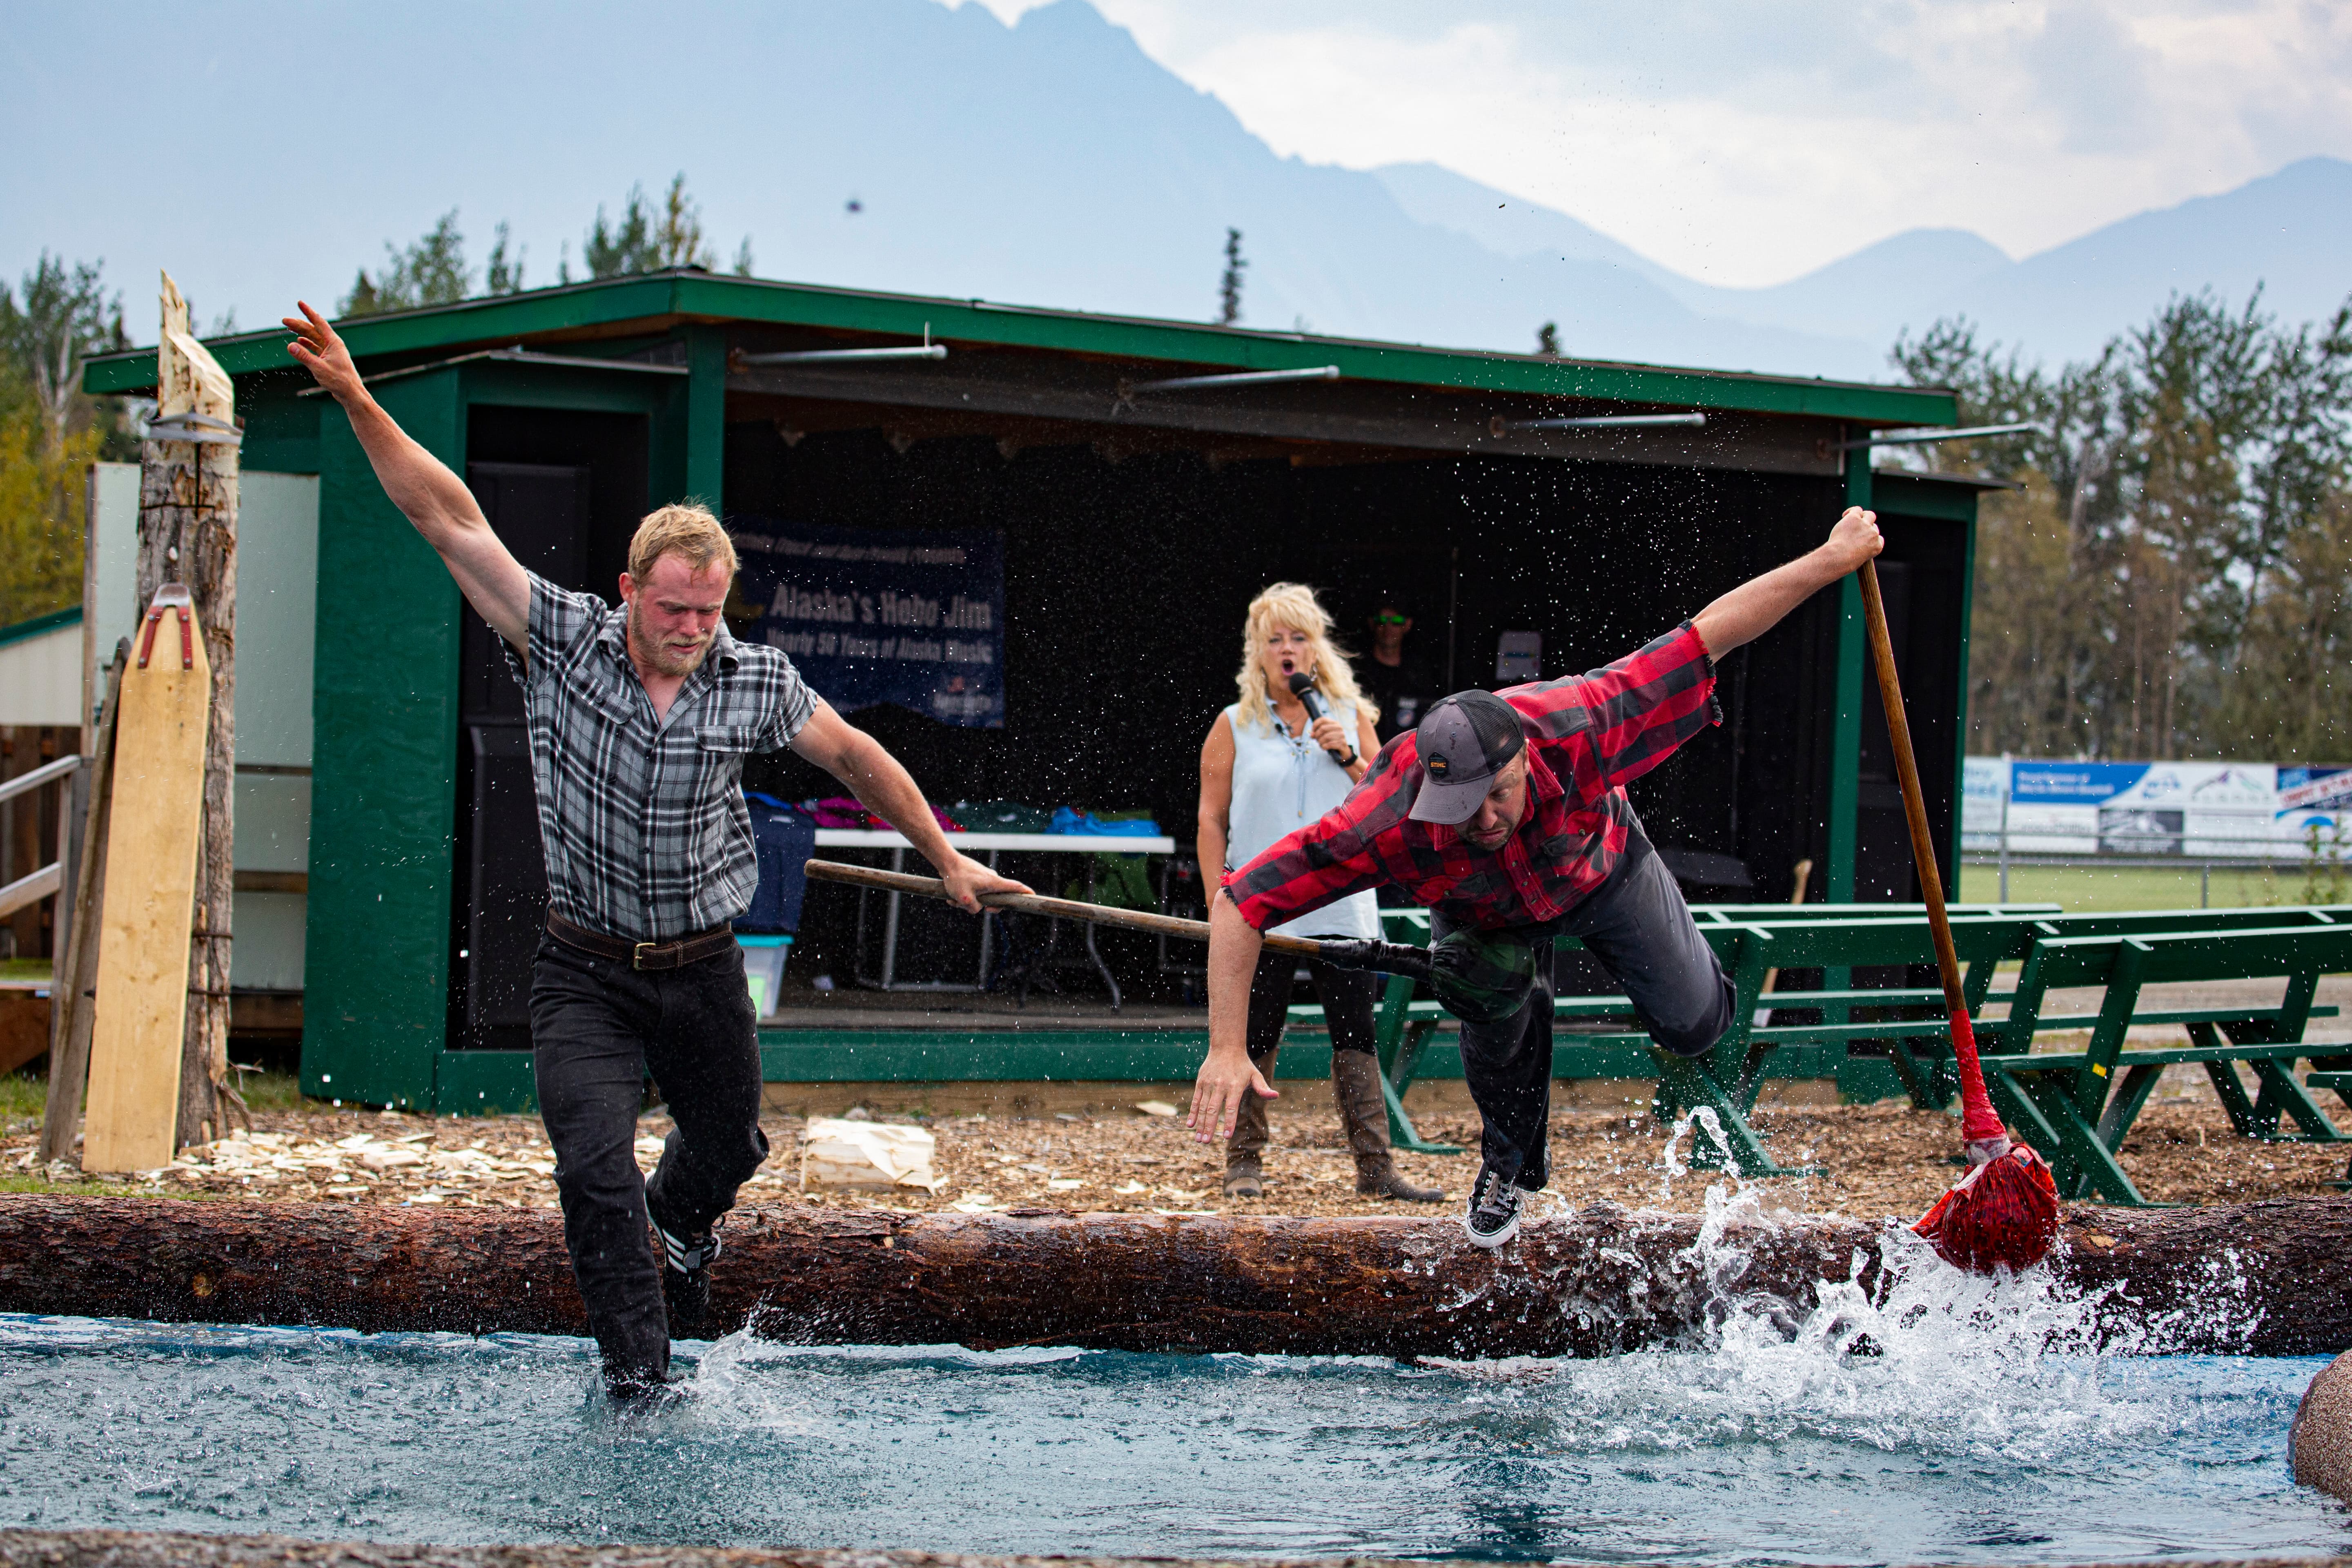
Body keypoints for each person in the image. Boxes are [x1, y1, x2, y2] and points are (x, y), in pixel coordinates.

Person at [283, 301, 1029, 1395]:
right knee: (593, 1169)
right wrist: (355, 398)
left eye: (709, 612)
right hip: (582, 969)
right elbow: (447, 517)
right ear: (633, 590)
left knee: (728, 1147)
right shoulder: (561, 638)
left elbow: (857, 756)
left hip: (703, 969)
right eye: (675, 609)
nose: (692, 629)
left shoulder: (754, 679)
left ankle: (683, 1235)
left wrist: (945, 857)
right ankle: (641, 1381)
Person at [1187, 508, 1886, 1247]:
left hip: (1600, 871)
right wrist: (1227, 1046)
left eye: (1498, 794)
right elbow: (1241, 900)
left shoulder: (1582, 723)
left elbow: (1711, 635)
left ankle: (1674, 1002)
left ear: (1525, 759)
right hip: (1486, 915)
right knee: (1481, 980)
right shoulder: (1385, 816)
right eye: (1461, 806)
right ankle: (1510, 1165)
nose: (1484, 818)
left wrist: (1834, 556)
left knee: (1698, 1027)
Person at [1196, 584, 1443, 1204]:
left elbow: (1393, 800)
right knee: (1256, 1034)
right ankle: (1244, 1162)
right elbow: (1210, 819)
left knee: (1355, 1035)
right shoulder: (1234, 725)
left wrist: (1351, 755)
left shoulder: (1348, 715)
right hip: (1262, 908)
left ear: (1317, 648)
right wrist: (1215, 902)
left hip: (1342, 905)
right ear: (1257, 651)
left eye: (1298, 637)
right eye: (1274, 638)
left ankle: (1376, 1169)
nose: (1286, 649)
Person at [1356, 599, 1440, 746]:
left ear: (1407, 625)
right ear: (1372, 623)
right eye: (1381, 620)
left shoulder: (1420, 675)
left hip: (1407, 755)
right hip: (1366, 752)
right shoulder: (1357, 672)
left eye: (1397, 621)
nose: (1388, 627)